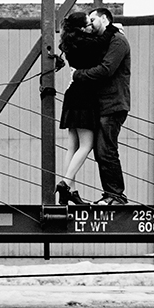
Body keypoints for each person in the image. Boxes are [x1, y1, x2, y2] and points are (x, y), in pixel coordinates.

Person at [68, 5, 131, 204]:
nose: (91, 24)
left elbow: (105, 70)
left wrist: (77, 75)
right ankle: (111, 193)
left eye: (93, 20)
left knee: (106, 149)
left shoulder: (118, 41)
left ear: (104, 19)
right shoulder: (106, 40)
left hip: (113, 103)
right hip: (103, 104)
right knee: (101, 150)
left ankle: (115, 195)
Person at [55, 11, 103, 205]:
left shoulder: (70, 44)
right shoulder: (89, 43)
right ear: (83, 28)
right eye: (88, 23)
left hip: (73, 94)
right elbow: (102, 44)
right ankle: (65, 184)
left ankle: (71, 191)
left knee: (72, 146)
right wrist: (112, 29)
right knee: (86, 144)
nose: (91, 25)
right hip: (85, 96)